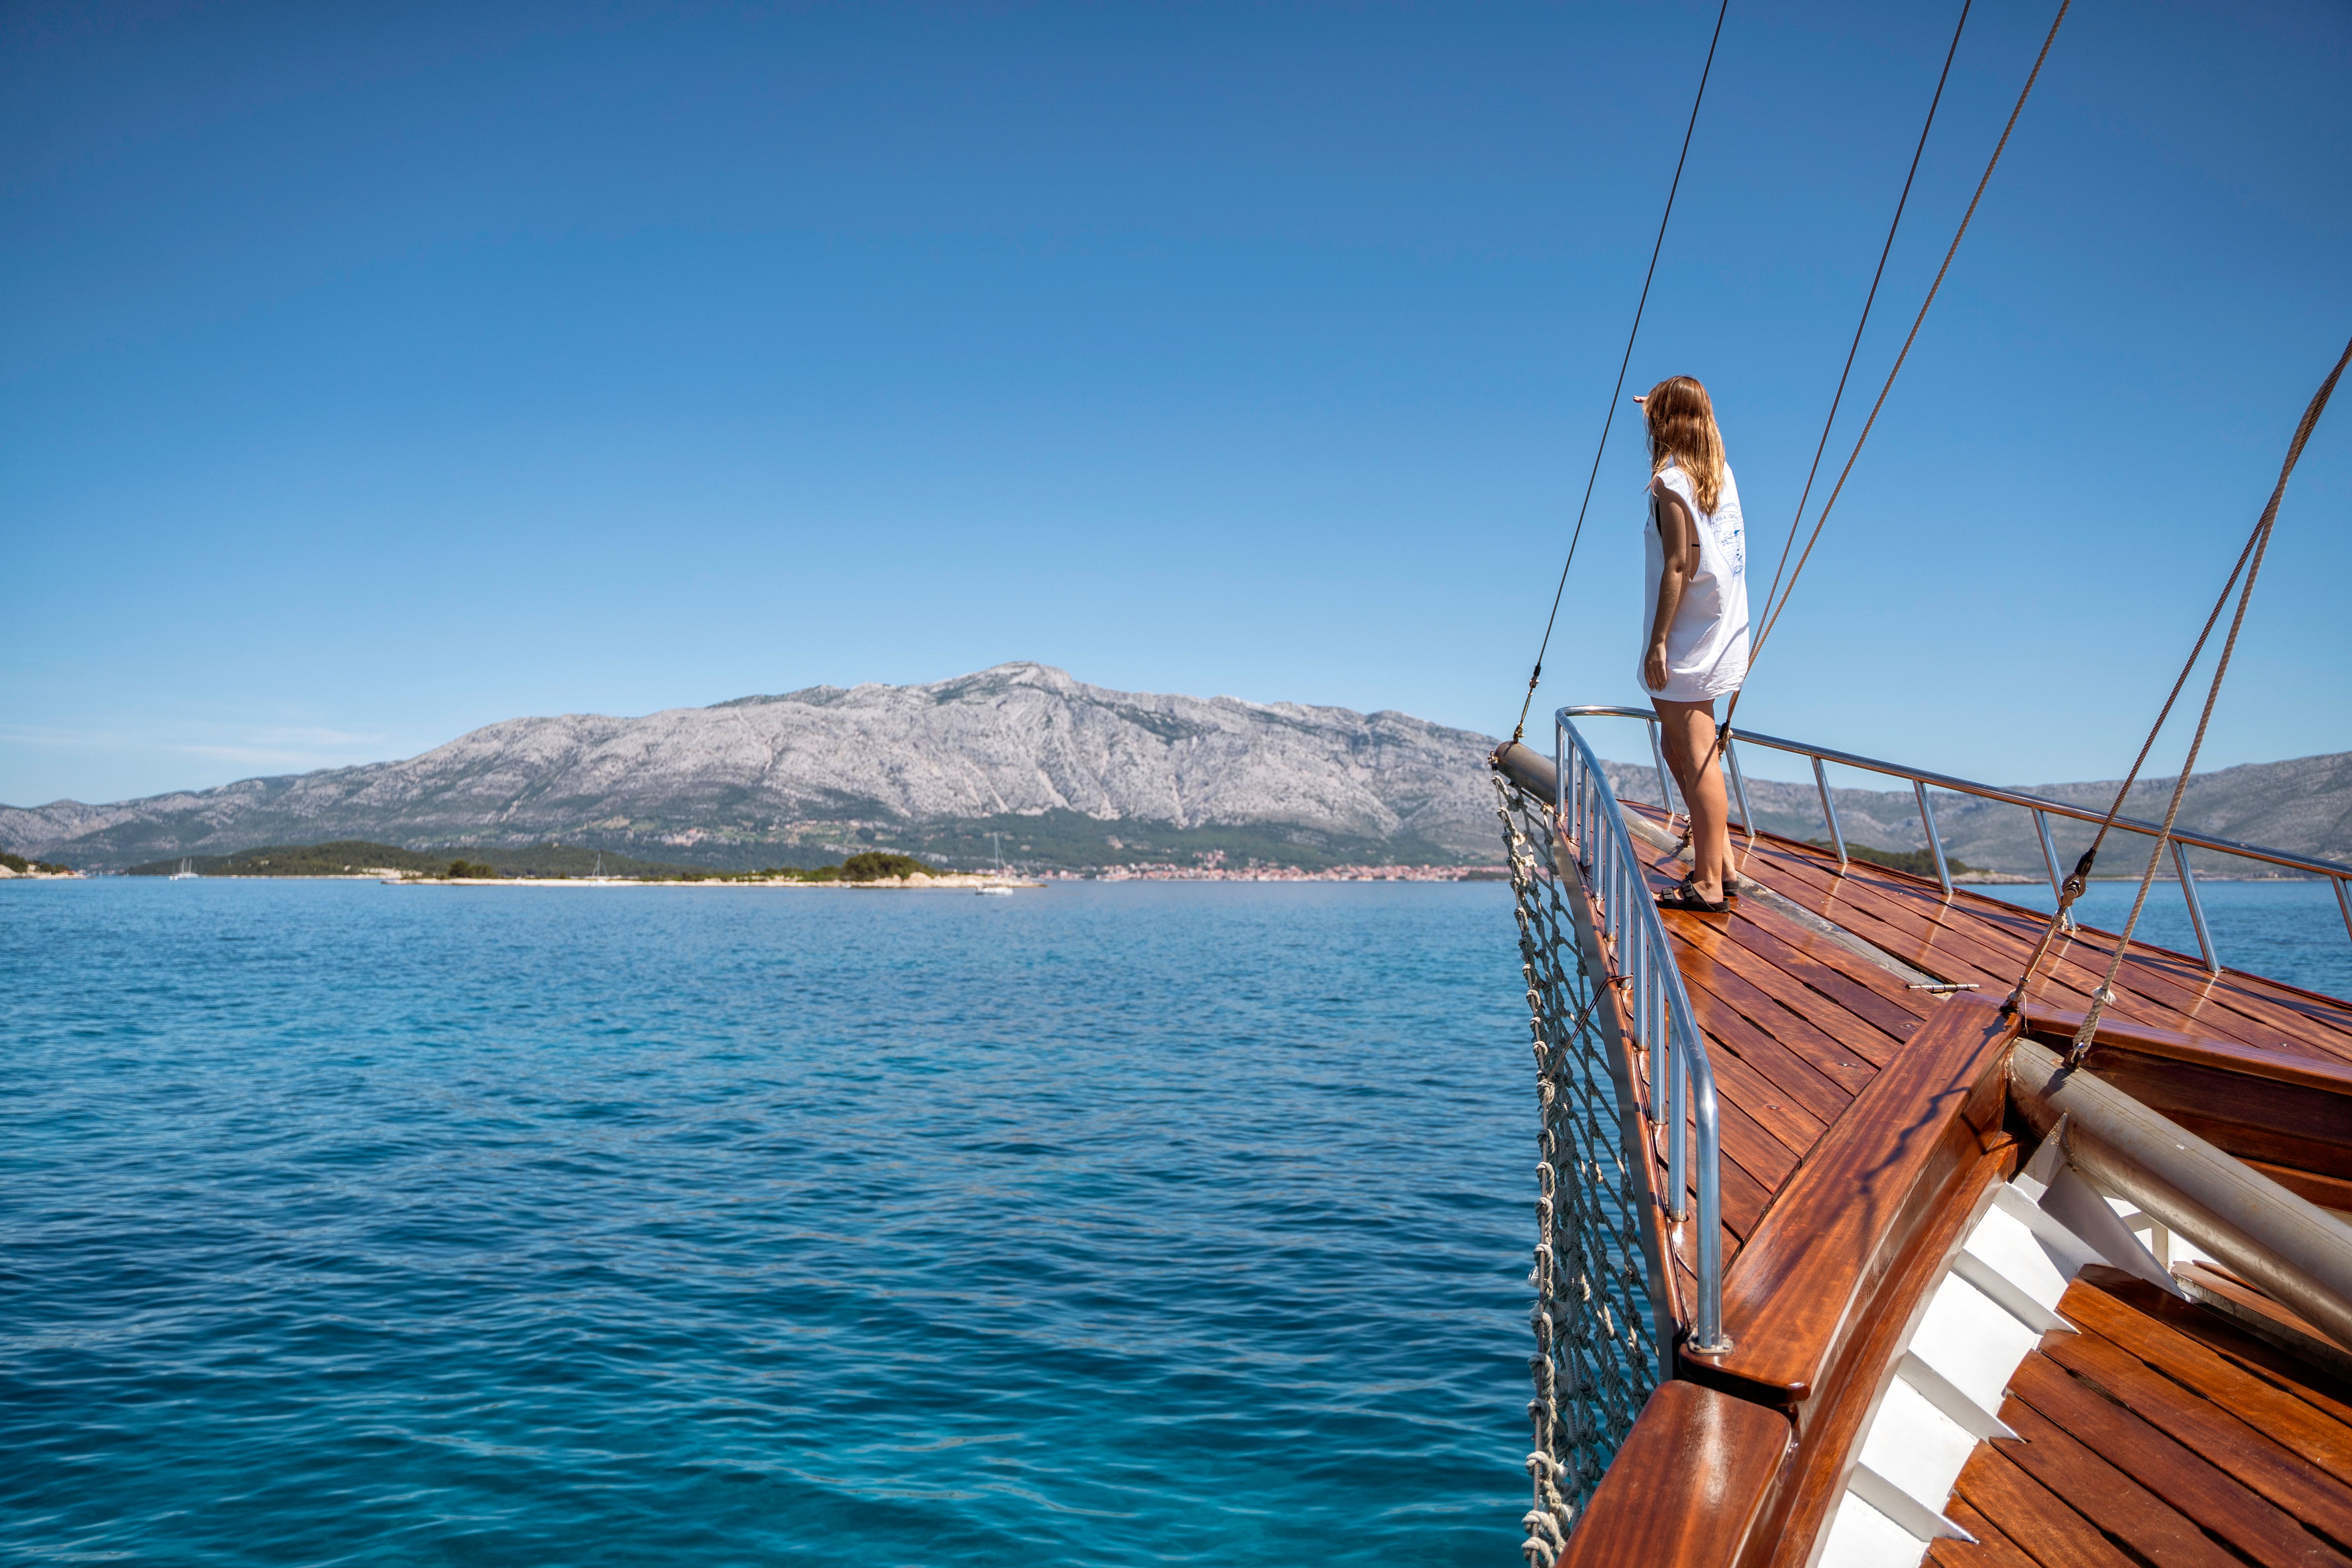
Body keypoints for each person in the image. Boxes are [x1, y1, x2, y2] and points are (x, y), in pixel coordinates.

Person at [1634, 375, 1748, 913]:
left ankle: (1708, 883)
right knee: (1676, 747)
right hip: (1720, 628)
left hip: (1686, 637)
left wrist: (1658, 642)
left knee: (1696, 755)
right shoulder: (1718, 474)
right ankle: (1721, 862)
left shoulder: (1670, 485)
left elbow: (1680, 563)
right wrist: (1658, 405)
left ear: (1665, 422)